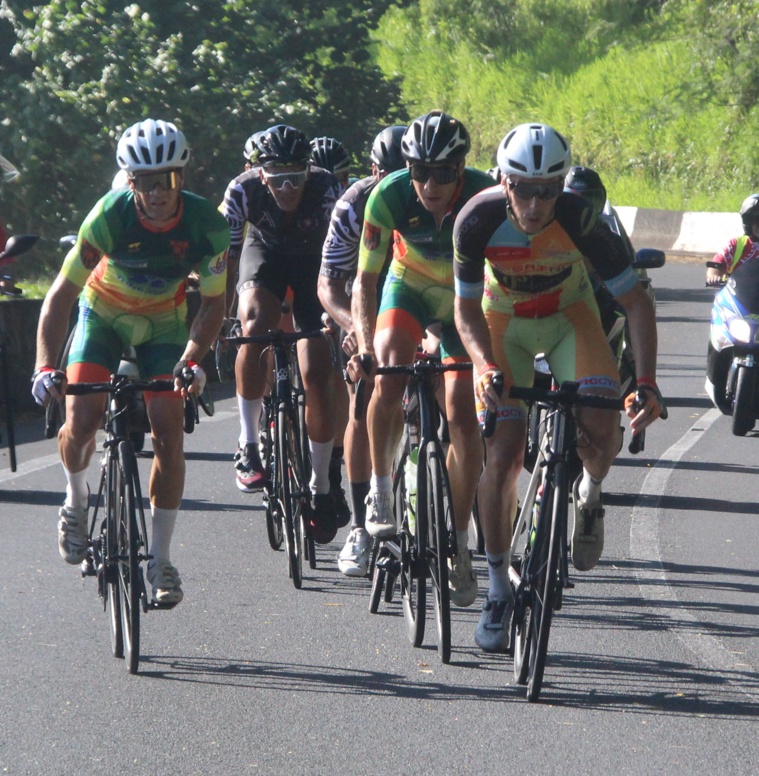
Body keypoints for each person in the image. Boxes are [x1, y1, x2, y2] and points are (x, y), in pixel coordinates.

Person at [453, 122, 663, 651]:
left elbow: (635, 301)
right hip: (504, 322)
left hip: (572, 318)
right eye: (524, 187)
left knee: (601, 424)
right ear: (504, 182)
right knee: (501, 454)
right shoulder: (475, 219)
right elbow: (463, 306)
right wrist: (482, 366)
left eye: (549, 189)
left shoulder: (582, 219)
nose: (536, 202)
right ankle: (499, 587)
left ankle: (589, 493)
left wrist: (646, 383)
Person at [32, 119, 229, 605]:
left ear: (182, 178)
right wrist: (43, 366)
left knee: (168, 430)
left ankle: (160, 560)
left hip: (163, 325)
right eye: (145, 182)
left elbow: (214, 304)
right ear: (130, 182)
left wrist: (193, 358)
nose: (158, 192)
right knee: (81, 420)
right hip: (102, 316)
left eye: (168, 180)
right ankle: (76, 500)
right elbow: (60, 297)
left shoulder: (207, 225)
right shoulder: (108, 216)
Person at [346, 110, 495, 606]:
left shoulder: (484, 196)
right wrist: (365, 346)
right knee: (387, 373)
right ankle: (382, 490)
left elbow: (500, 276)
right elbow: (365, 281)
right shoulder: (386, 196)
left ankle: (457, 543)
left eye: (443, 173)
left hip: (462, 301)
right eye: (420, 172)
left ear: (462, 168)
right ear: (406, 169)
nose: (430, 184)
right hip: (406, 288)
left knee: (461, 415)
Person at [220, 124, 343, 543]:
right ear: (259, 172)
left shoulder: (327, 188)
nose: (289, 187)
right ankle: (249, 443)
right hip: (265, 255)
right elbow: (228, 255)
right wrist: (222, 318)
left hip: (315, 263)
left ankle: (322, 484)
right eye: (278, 176)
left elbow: (345, 253)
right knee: (254, 328)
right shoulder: (241, 191)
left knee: (317, 373)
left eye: (297, 174)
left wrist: (339, 317)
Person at [318, 124, 406, 576]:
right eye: (388, 175)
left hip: (416, 295)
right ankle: (358, 525)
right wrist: (354, 327)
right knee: (360, 397)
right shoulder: (353, 205)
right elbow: (330, 283)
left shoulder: (431, 195)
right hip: (362, 303)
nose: (399, 185)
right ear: (374, 172)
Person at [706, 193, 759, 286]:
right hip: (735, 297)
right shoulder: (736, 244)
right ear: (748, 223)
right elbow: (717, 264)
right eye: (757, 221)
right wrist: (714, 276)